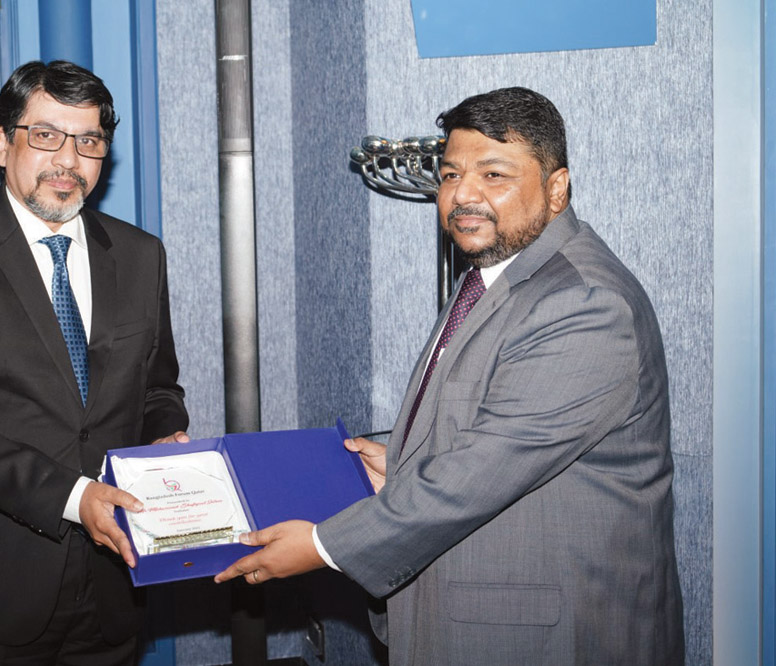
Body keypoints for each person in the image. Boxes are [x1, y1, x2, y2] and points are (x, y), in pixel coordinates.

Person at [216, 87, 685, 664]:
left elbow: (480, 473)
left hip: (551, 636)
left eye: (494, 174)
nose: (462, 194)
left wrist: (321, 545)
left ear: (557, 188)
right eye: (451, 174)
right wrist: (403, 463)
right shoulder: (493, 275)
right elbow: (486, 429)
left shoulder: (584, 303)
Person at [0, 60, 189, 665]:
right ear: (4, 143)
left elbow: (158, 388)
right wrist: (75, 497)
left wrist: (164, 437)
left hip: (112, 588)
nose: (68, 160)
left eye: (89, 141)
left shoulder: (140, 254)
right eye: (46, 135)